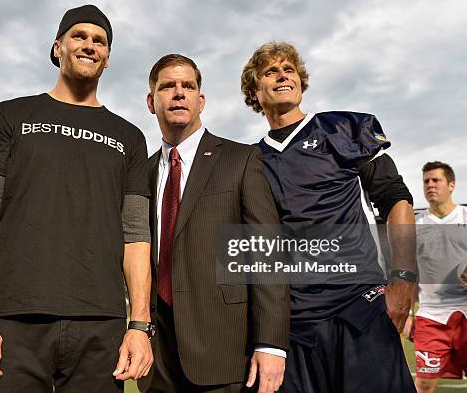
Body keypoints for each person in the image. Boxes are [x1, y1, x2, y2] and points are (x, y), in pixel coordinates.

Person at [0, 4, 153, 392]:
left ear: (108, 58)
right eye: (79, 36)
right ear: (57, 47)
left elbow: (136, 234)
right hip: (13, 319)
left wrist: (140, 325)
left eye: (99, 41)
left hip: (101, 325)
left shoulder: (129, 137)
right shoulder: (10, 116)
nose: (89, 45)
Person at [240, 41, 418, 393]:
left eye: (289, 69)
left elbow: (395, 198)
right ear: (254, 90)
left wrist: (403, 278)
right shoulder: (248, 160)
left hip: (357, 309)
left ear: (301, 82)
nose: (282, 75)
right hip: (291, 326)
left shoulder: (343, 129)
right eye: (270, 71)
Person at [138, 54, 290, 393]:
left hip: (225, 352)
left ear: (200, 100)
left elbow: (267, 255)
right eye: (167, 87)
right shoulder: (142, 174)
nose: (178, 93)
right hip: (159, 357)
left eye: (188, 86)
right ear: (152, 101)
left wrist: (271, 344)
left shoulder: (240, 159)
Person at [404, 161, 467, 393]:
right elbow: (409, 273)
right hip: (431, 316)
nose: (430, 185)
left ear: (451, 185)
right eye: (426, 181)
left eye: (436, 180)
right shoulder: (416, 225)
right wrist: (408, 315)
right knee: (423, 384)